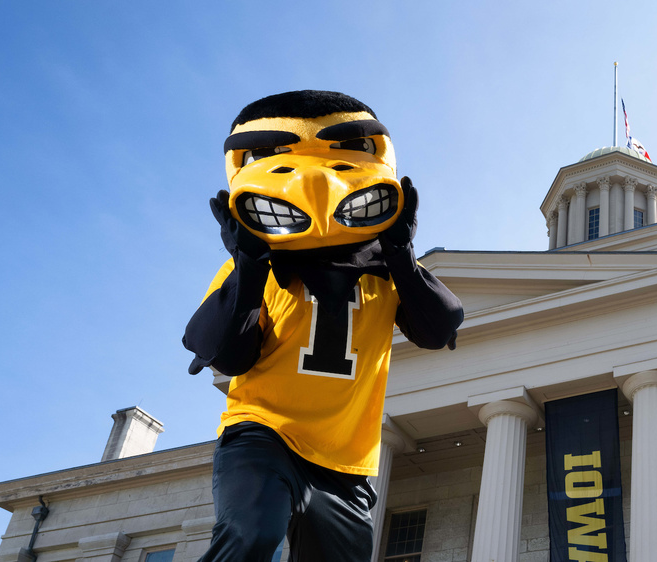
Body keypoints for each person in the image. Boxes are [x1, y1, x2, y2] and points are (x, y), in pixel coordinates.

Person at [183, 90, 463, 561]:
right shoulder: (258, 267)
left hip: (345, 461)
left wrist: (401, 256)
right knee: (251, 532)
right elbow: (229, 355)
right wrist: (249, 268)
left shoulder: (388, 275)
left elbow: (439, 328)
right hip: (265, 433)